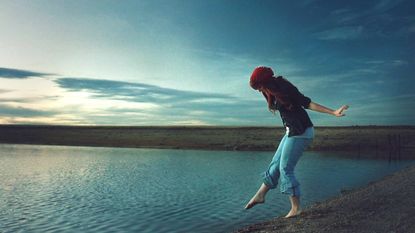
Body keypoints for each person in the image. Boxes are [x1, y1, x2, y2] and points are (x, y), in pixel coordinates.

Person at [244, 66, 349, 218]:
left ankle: (296, 208)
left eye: (259, 87)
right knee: (275, 165)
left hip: (302, 132)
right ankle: (260, 195)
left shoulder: (285, 87)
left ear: (265, 82)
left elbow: (307, 103)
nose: (260, 91)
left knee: (285, 168)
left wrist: (333, 112)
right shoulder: (273, 93)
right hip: (291, 132)